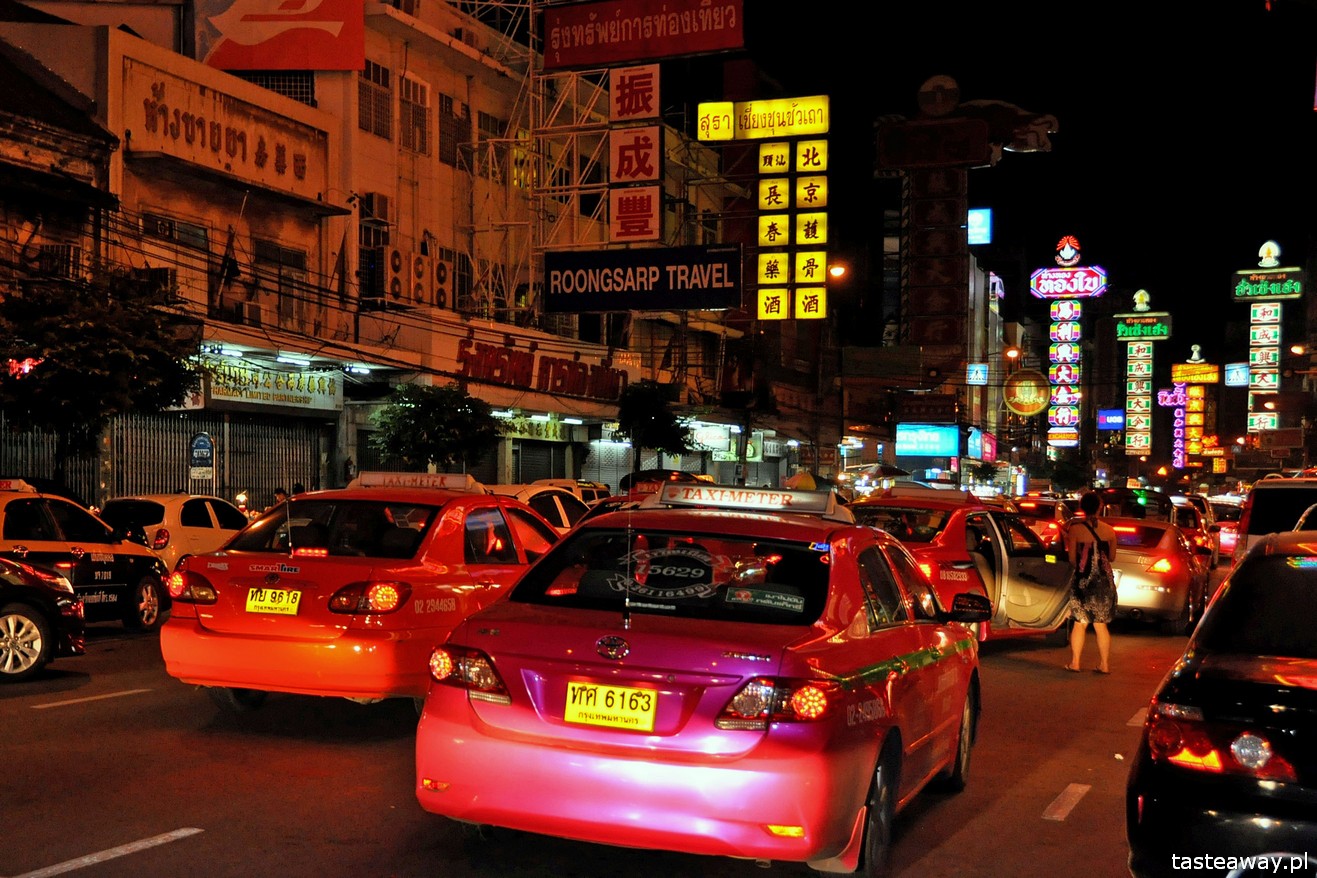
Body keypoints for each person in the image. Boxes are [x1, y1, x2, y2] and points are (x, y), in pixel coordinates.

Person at [1064, 491, 1118, 674]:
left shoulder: (1075, 529)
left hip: (1082, 581)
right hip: (1104, 583)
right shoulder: (1109, 531)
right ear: (1100, 507)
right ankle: (1104, 664)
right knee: (1101, 623)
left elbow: (1072, 558)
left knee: (1080, 622)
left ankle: (1076, 663)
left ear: (1082, 507)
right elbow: (1111, 557)